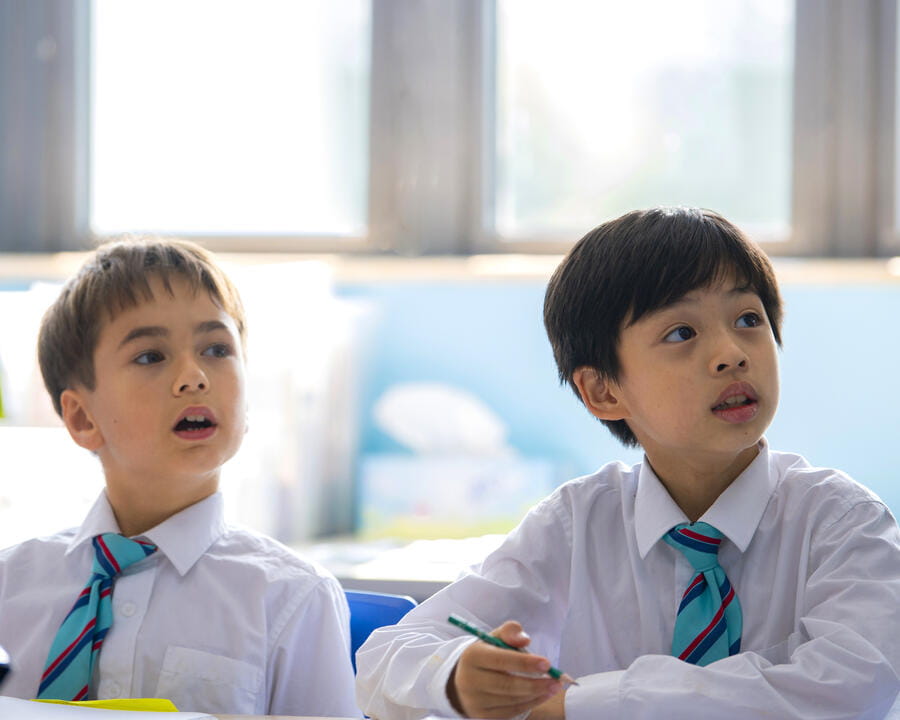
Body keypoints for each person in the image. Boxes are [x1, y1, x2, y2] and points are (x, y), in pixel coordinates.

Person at [355, 207, 900, 720]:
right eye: (681, 332)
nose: (731, 352)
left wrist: (588, 703)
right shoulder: (576, 523)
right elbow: (384, 658)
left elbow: (851, 684)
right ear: (602, 390)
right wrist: (455, 676)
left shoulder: (842, 522)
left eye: (748, 319)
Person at [0, 237, 359, 717]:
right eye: (151, 356)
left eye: (216, 349)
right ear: (83, 418)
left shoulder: (291, 598)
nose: (194, 377)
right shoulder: (9, 586)